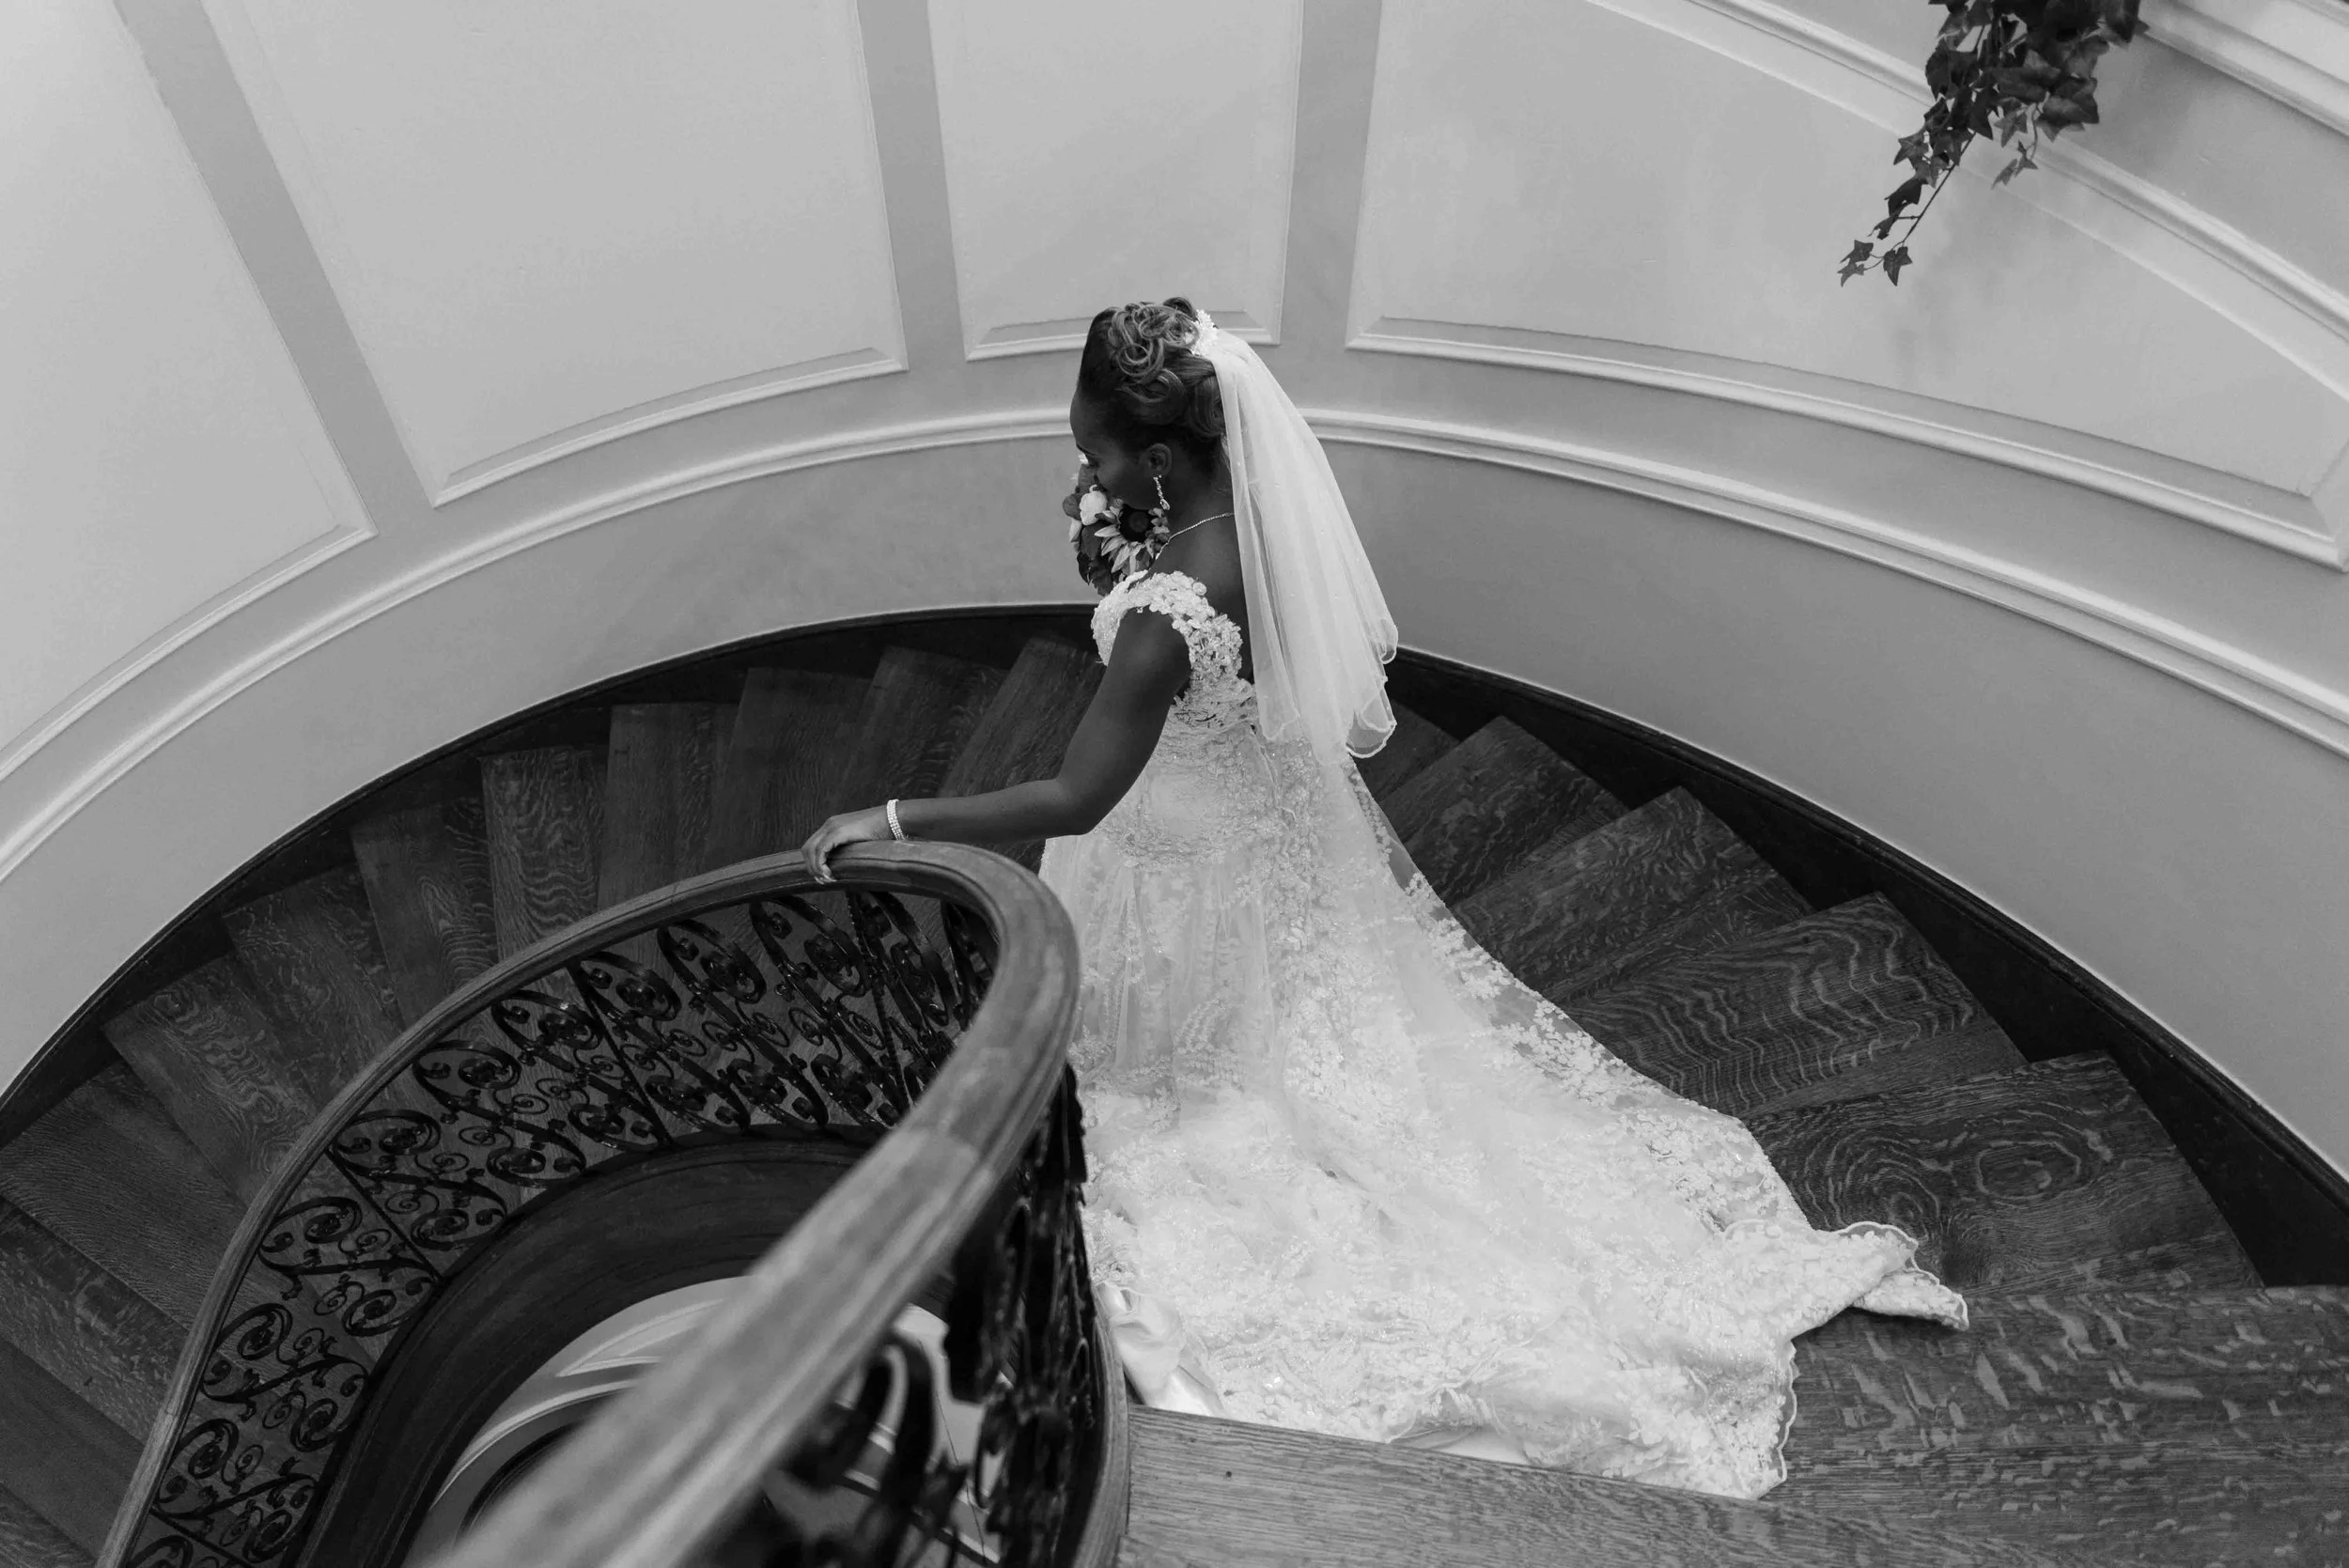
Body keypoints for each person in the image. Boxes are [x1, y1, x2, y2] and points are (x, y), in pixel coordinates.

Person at [800, 297, 1964, 1499]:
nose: (1086, 476)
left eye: (1096, 455)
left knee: (1191, 1093)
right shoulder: (1257, 532)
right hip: (1266, 832)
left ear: (1159, 459)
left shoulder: (1161, 620)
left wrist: (896, 817)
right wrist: (1126, 543)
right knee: (1320, 1029)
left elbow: (1078, 796)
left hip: (1181, 864)